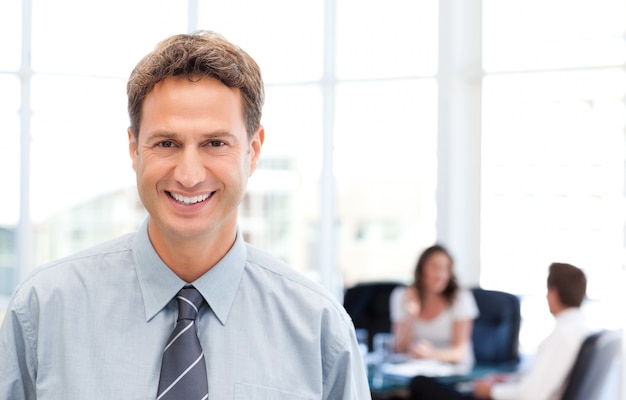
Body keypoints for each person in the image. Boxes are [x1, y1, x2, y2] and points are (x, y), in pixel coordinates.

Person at [0, 31, 370, 399]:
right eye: (166, 143)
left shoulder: (320, 329)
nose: (189, 175)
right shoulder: (43, 311)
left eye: (215, 143)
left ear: (253, 151)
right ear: (134, 149)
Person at [410, 262, 591, 400]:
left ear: (553, 293)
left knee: (420, 383)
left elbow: (531, 395)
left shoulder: (562, 336)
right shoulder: (581, 331)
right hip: (510, 389)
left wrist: (491, 390)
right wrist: (510, 380)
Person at [390, 244, 479, 370]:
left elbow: (460, 353)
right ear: (421, 269)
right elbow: (400, 349)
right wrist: (412, 313)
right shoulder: (402, 296)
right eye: (434, 267)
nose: (440, 275)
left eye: (445, 268)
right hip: (417, 370)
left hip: (455, 371)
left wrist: (430, 354)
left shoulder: (461, 298)